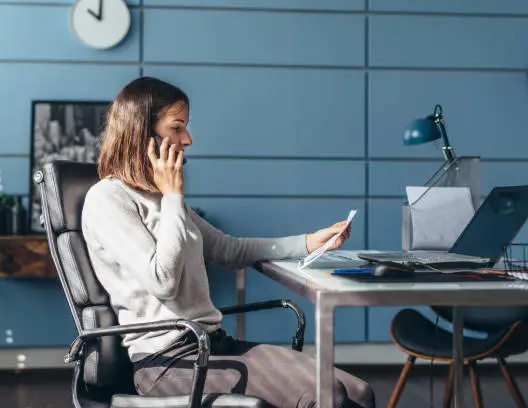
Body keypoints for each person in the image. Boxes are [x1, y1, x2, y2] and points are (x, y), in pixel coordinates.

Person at [81, 76, 376, 408]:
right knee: (327, 397)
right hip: (168, 362)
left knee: (360, 393)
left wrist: (309, 242)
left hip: (214, 345)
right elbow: (163, 282)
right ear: (142, 132)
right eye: (177, 128)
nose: (188, 139)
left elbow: (229, 249)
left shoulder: (161, 199)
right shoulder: (108, 199)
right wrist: (173, 195)